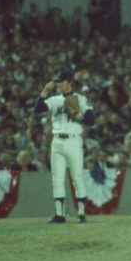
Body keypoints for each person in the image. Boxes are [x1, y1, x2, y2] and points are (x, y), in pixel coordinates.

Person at [34, 70, 95, 223]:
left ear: (69, 81)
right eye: (58, 81)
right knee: (57, 178)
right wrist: (45, 91)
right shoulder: (55, 99)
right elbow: (38, 109)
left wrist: (79, 115)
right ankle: (60, 214)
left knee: (77, 176)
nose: (59, 84)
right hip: (57, 141)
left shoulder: (80, 99)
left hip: (74, 140)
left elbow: (91, 119)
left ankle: (81, 213)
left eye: (61, 81)